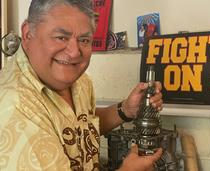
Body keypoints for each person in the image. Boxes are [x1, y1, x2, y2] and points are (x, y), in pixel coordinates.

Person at [0, 0, 163, 170]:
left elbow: (80, 126)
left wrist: (126, 110)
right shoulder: (15, 107)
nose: (74, 52)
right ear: (27, 34)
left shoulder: (79, 81)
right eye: (61, 37)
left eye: (84, 40)